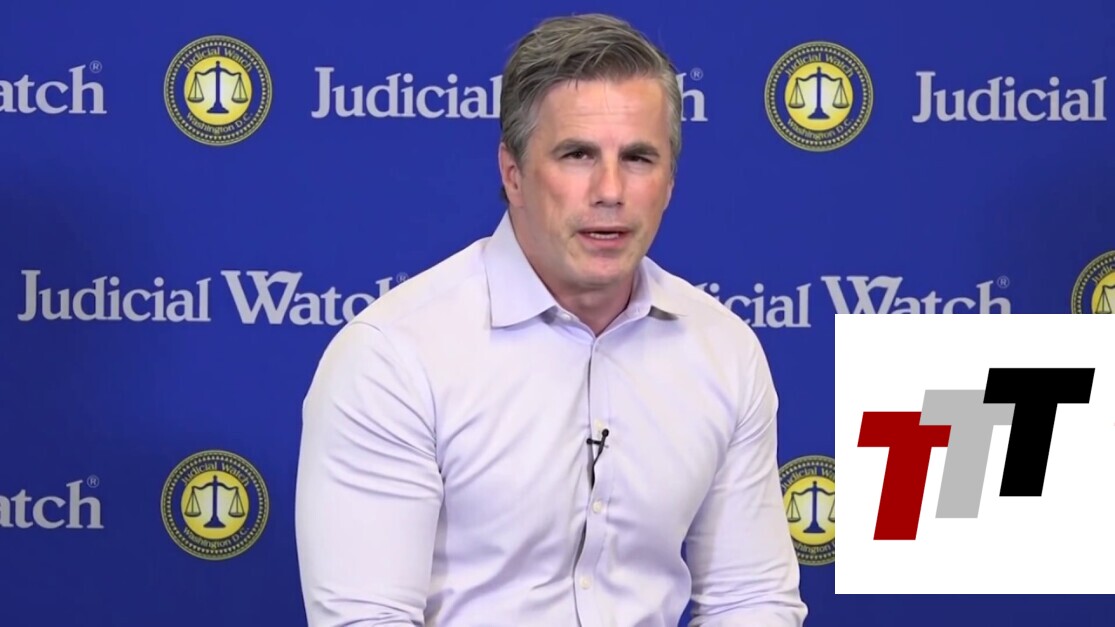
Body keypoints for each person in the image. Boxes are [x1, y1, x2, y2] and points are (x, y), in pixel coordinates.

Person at [294, 12, 807, 627]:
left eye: (638, 158)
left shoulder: (723, 350)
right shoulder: (394, 357)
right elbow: (366, 618)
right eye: (578, 155)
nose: (610, 190)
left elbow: (750, 599)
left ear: (670, 181)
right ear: (513, 174)